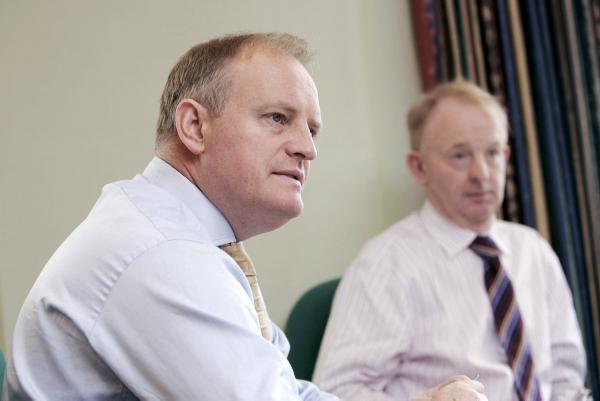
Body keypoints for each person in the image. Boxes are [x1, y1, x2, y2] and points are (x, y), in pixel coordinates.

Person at [3, 34, 487, 401]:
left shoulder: (181, 234)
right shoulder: (161, 253)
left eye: (312, 129)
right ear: (194, 126)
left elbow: (283, 391)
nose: (308, 149)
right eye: (278, 118)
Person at [313, 80, 589, 401]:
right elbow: (335, 392)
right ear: (419, 167)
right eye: (460, 156)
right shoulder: (386, 264)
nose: (481, 173)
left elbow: (565, 376)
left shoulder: (533, 250)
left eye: (492, 153)